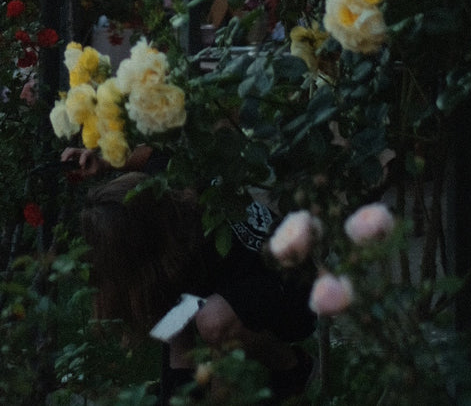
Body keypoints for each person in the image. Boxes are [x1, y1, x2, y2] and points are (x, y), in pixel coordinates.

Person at [78, 171, 315, 403]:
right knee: (179, 316)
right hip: (250, 292)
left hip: (296, 294)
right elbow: (177, 339)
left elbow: (221, 356)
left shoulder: (202, 235)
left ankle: (292, 367)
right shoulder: (170, 229)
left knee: (212, 320)